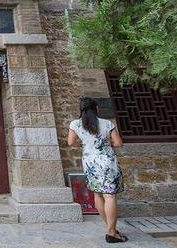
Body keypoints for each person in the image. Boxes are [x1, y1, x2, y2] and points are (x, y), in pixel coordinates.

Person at [67, 97, 126, 243]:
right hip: (107, 161)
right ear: (96, 108)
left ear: (81, 109)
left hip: (90, 163)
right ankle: (111, 232)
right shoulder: (107, 123)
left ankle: (110, 229)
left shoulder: (75, 124)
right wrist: (105, 144)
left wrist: (86, 146)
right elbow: (118, 143)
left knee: (97, 195)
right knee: (110, 196)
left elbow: (71, 142)